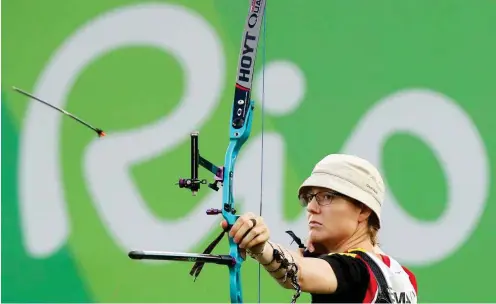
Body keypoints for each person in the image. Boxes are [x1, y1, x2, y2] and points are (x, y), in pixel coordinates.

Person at [222, 154, 418, 303]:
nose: (311, 208)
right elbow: (301, 260)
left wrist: (261, 247)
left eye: (327, 197)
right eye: (310, 198)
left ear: (363, 210)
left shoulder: (355, 272)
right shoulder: (403, 276)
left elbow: (301, 273)